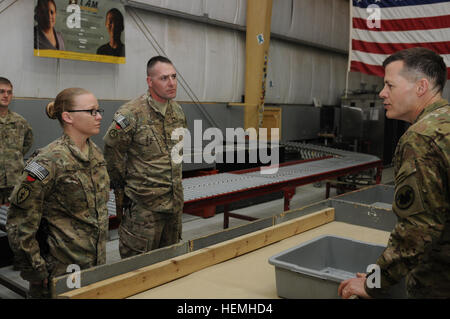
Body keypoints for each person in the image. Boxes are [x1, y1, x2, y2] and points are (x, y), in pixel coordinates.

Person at [338, 47, 449, 299]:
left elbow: (416, 233)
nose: (382, 93)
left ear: (421, 87)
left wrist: (372, 283)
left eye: (390, 85)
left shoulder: (421, 138)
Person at [6, 88, 109, 298]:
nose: (98, 117)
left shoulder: (96, 154)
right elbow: (20, 221)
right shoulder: (48, 161)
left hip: (94, 262)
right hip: (60, 268)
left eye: (99, 110)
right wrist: (34, 269)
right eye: (91, 111)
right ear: (68, 117)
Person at [103, 56, 187, 258]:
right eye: (164, 78)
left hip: (173, 205)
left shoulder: (178, 112)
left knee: (170, 263)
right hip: (144, 207)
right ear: (150, 81)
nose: (172, 83)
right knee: (138, 266)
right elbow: (111, 151)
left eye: (174, 77)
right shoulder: (131, 113)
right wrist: (124, 185)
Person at [0, 77, 34, 206]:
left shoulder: (20, 121)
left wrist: (13, 157)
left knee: (10, 220)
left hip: (14, 181)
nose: (6, 95)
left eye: (9, 92)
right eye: (1, 91)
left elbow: (28, 142)